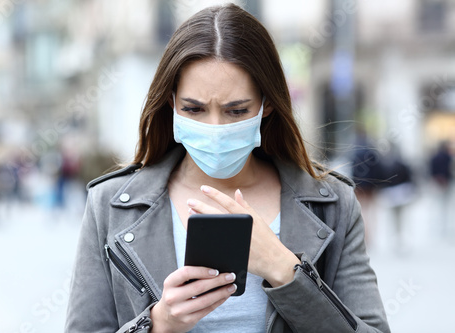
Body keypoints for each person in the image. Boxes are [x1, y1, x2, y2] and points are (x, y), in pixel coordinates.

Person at [65, 4, 390, 333]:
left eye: (236, 111)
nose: (215, 126)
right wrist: (158, 324)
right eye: (194, 109)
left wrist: (286, 272)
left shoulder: (333, 204)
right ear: (171, 103)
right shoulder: (110, 205)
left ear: (268, 105)